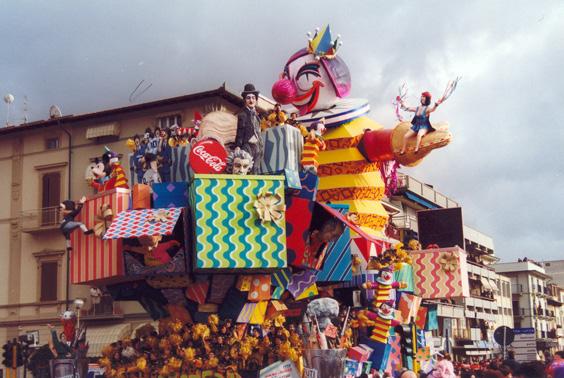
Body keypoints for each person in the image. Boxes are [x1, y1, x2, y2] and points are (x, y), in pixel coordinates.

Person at [235, 83, 263, 174]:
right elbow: (240, 131)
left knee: (256, 168)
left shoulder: (257, 116)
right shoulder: (242, 115)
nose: (251, 100)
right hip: (247, 145)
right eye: (248, 98)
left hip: (257, 145)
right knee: (246, 168)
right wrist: (238, 145)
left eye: (253, 98)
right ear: (245, 100)